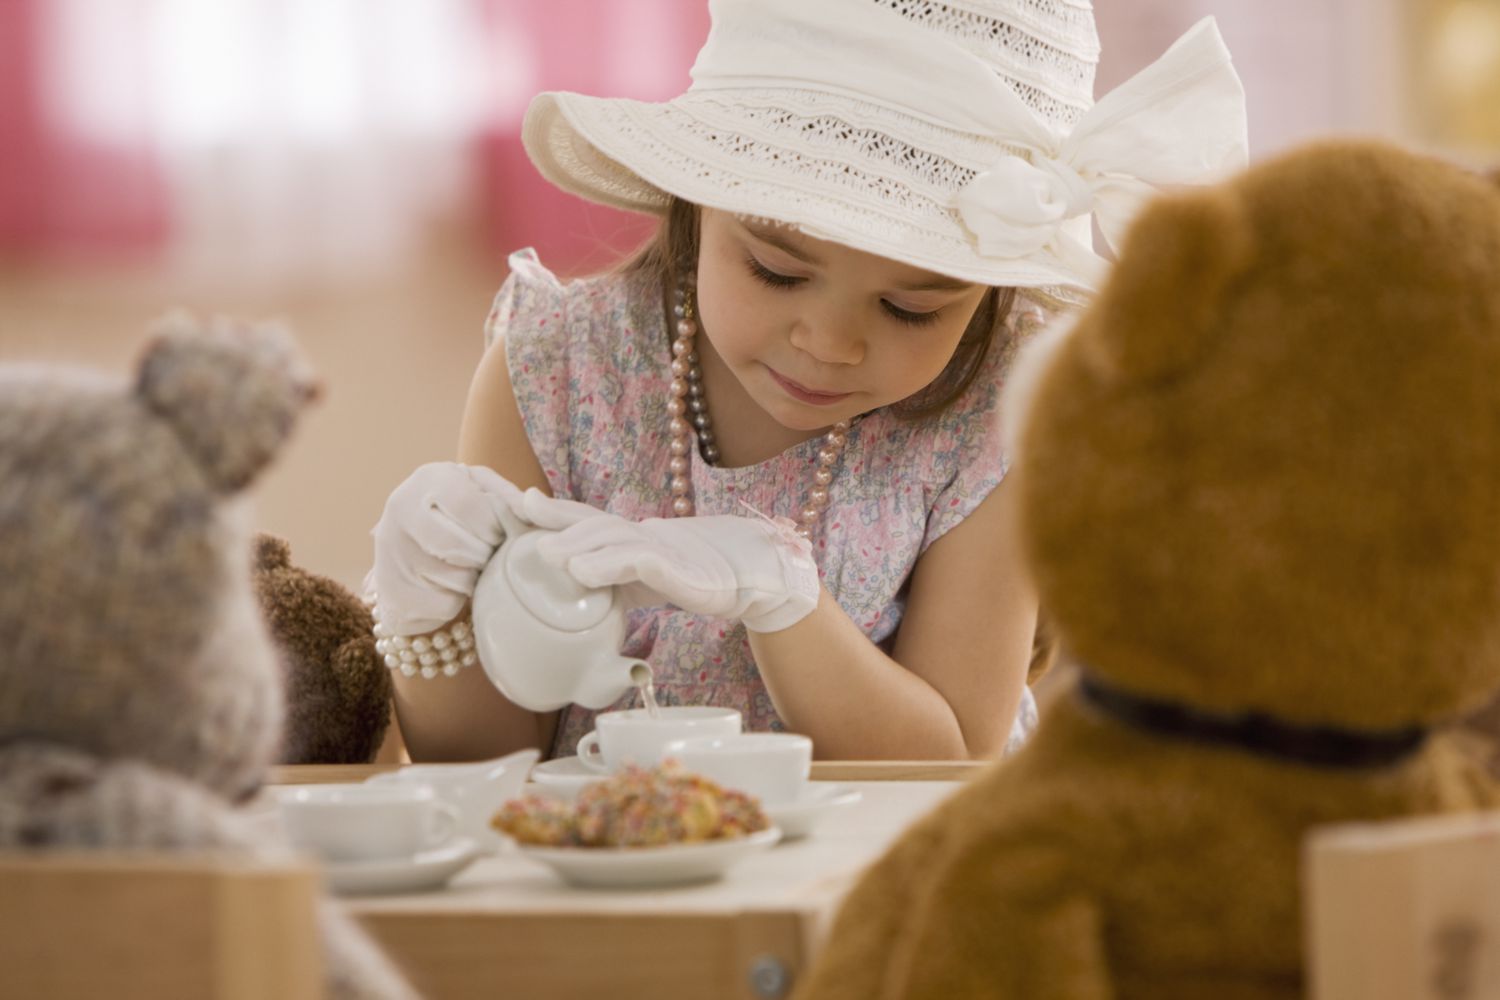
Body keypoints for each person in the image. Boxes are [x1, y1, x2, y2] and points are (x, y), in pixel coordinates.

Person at [367, 0, 1247, 763]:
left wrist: (784, 604)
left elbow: (949, 757)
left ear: (989, 296)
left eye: (910, 308)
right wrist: (426, 617)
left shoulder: (994, 413)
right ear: (697, 200)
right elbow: (480, 762)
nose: (828, 344)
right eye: (778, 272)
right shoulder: (555, 370)